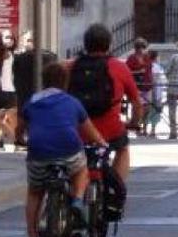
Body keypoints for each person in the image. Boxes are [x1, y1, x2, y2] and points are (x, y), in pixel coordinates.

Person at [16, 60, 107, 237]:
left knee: (35, 192)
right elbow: (90, 132)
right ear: (65, 82)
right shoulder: (72, 102)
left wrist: (20, 140)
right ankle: (76, 202)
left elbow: (20, 129)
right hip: (69, 149)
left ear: (44, 81)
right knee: (81, 169)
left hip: (38, 152)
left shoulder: (32, 101)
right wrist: (102, 143)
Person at [68, 23, 143, 183]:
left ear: (85, 44)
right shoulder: (119, 67)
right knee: (122, 149)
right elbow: (136, 102)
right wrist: (134, 122)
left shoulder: (71, 66)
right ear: (109, 45)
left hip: (77, 128)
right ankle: (116, 190)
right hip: (110, 129)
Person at [125, 38, 153, 111]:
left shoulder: (147, 57)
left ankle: (144, 121)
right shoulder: (131, 58)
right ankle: (136, 121)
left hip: (147, 84)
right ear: (136, 48)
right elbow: (126, 72)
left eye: (143, 48)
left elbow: (149, 69)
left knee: (148, 107)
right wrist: (137, 72)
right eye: (139, 48)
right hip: (136, 85)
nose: (141, 50)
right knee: (137, 106)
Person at [148, 50, 167, 136]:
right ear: (156, 57)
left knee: (148, 109)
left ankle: (144, 129)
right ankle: (153, 129)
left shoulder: (147, 66)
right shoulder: (157, 67)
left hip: (147, 90)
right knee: (155, 110)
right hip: (156, 90)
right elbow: (161, 79)